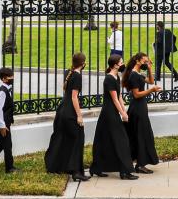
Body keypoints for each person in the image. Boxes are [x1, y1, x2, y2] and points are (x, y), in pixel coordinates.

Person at [90, 55, 137, 179]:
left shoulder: (116, 77)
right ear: (115, 65)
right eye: (121, 62)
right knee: (122, 141)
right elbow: (114, 100)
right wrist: (123, 113)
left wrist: (124, 110)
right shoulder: (109, 79)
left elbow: (120, 96)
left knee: (105, 140)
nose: (122, 63)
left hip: (113, 112)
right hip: (109, 113)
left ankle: (97, 168)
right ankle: (124, 171)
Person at [45, 53, 88, 181]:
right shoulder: (77, 76)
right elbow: (74, 97)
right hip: (70, 113)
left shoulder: (68, 72)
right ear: (83, 63)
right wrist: (79, 116)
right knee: (78, 139)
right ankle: (76, 172)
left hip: (62, 110)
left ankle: (55, 165)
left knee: (61, 138)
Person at [123, 53, 160, 174]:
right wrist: (151, 90)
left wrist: (149, 68)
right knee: (141, 135)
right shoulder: (133, 75)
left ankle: (139, 162)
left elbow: (151, 80)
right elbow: (136, 94)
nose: (146, 63)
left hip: (141, 107)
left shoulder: (138, 74)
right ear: (138, 61)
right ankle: (140, 164)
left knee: (142, 134)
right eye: (145, 61)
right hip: (137, 109)